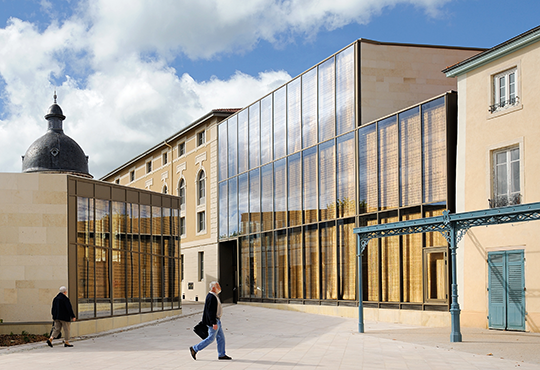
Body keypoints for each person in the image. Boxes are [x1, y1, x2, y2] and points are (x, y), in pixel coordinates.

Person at [190, 281, 232, 360]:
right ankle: (195, 348)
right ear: (213, 288)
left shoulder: (214, 296)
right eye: (218, 286)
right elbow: (210, 311)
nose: (219, 288)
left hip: (217, 321)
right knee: (211, 338)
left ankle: (221, 354)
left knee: (221, 338)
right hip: (214, 321)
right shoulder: (211, 297)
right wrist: (213, 323)